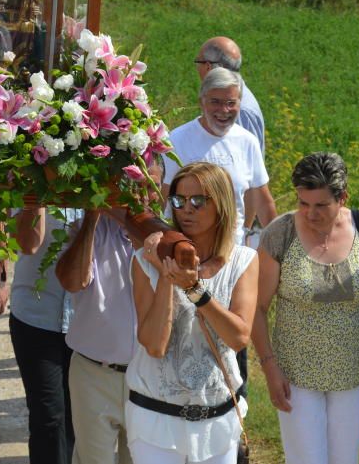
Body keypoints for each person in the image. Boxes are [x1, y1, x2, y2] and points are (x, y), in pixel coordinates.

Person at [251, 152, 359, 464]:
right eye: (303, 203)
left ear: (342, 198)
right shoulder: (281, 233)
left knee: (346, 459)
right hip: (297, 376)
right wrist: (269, 366)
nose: (309, 213)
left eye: (320, 205)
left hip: (353, 372)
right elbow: (257, 309)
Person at [126, 161, 258, 464]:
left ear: (222, 205)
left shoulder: (244, 260)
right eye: (179, 200)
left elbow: (238, 337)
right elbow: (154, 345)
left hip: (219, 420)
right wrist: (165, 278)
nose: (186, 209)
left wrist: (195, 290)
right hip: (154, 420)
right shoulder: (144, 261)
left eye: (198, 201)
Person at [55, 159, 166, 464]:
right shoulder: (88, 228)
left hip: (149, 375)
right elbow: (72, 281)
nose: (143, 197)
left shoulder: (170, 239)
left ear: (162, 191)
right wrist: (92, 216)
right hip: (94, 373)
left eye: (151, 187)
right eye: (133, 187)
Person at [164, 68, 275, 249]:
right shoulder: (177, 140)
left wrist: (280, 250)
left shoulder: (247, 142)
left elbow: (262, 201)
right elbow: (163, 197)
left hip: (234, 254)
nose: (224, 110)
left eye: (231, 103)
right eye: (215, 102)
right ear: (201, 101)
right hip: (187, 252)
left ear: (240, 103)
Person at [9, 207, 80, 464]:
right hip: (35, 315)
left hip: (86, 321)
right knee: (48, 416)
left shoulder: (102, 176)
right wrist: (37, 188)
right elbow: (27, 243)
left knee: (79, 416)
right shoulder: (29, 177)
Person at [195, 37, 266, 157]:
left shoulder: (241, 110)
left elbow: (243, 161)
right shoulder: (237, 100)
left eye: (198, 63)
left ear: (208, 66)